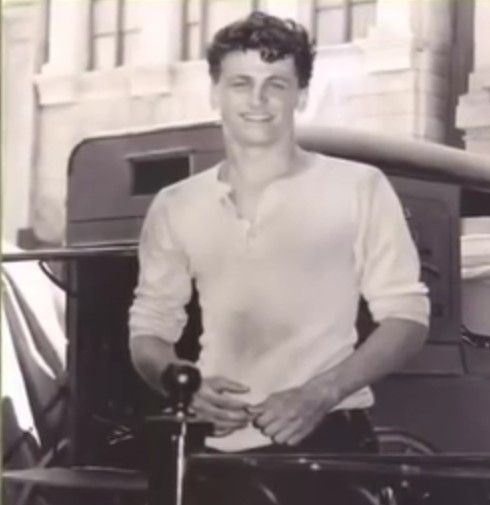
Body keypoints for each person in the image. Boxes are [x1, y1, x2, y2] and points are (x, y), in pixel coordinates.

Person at [129, 10, 429, 502]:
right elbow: (149, 329)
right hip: (212, 452)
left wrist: (321, 393)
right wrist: (180, 384)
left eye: (277, 84)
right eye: (241, 83)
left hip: (331, 446)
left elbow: (407, 317)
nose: (258, 100)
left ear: (302, 96)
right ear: (214, 93)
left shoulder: (359, 187)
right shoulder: (175, 204)